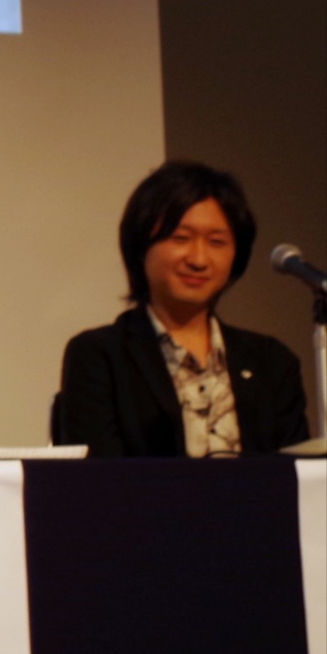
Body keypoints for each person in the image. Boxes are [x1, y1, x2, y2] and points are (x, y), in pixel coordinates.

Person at [55, 160, 307, 457]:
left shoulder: (272, 362)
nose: (199, 259)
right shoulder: (99, 357)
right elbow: (99, 476)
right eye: (181, 238)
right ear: (141, 246)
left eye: (216, 242)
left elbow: (296, 474)